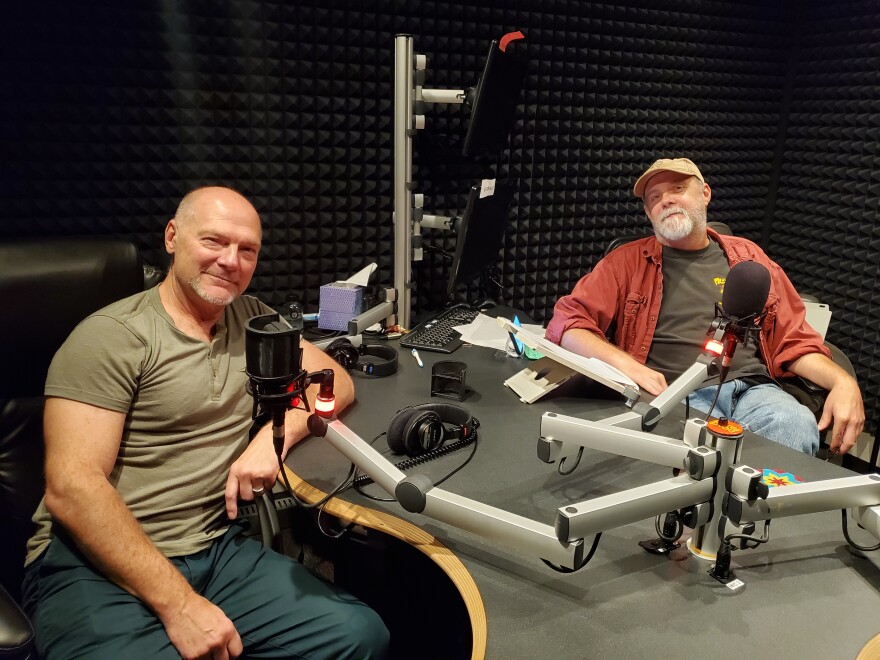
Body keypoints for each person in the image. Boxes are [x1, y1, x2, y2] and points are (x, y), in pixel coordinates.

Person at [22, 187, 390, 659]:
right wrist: (179, 605)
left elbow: (335, 380)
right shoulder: (113, 338)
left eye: (247, 250)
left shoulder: (252, 318)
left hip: (215, 548)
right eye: (214, 242)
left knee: (357, 635)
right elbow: (72, 487)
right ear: (173, 237)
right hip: (93, 562)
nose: (230, 261)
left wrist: (271, 438)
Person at [546, 158, 864, 456]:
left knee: (794, 425)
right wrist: (630, 367)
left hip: (755, 390)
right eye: (654, 197)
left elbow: (793, 341)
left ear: (706, 193)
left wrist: (843, 382)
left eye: (678, 189)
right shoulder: (626, 262)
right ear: (648, 213)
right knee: (693, 458)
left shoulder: (749, 256)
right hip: (677, 392)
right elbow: (568, 326)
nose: (666, 200)